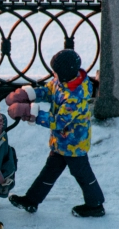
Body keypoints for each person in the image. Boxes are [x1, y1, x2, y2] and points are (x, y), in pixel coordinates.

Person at [6, 49, 105, 217]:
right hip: (62, 142)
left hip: (74, 144)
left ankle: (95, 205)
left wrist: (30, 112)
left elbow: (58, 122)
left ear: (65, 73)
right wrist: (29, 95)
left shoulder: (75, 96)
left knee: (81, 173)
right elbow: (50, 91)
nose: (54, 75)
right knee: (50, 171)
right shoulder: (64, 81)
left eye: (56, 72)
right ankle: (31, 200)